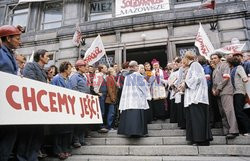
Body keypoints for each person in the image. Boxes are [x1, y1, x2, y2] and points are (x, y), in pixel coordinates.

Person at [17, 49, 49, 161]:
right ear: (40, 57)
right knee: (27, 134)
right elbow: (30, 82)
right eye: (47, 56)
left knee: (37, 134)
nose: (48, 58)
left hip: (40, 107)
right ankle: (22, 158)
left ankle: (32, 157)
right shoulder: (30, 66)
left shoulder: (43, 71)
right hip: (30, 106)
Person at [181, 51, 213, 146]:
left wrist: (185, 84)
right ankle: (195, 139)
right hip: (193, 97)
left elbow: (197, 78)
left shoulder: (195, 64)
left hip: (197, 97)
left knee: (198, 119)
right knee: (193, 119)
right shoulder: (192, 66)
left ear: (186, 58)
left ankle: (201, 140)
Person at [0, 25, 22, 161]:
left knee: (10, 132)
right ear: (8, 38)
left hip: (8, 104)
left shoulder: (11, 54)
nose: (20, 41)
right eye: (17, 38)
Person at [118, 61, 150, 137]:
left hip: (128, 100)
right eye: (137, 66)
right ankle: (137, 132)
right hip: (137, 99)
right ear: (135, 67)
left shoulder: (127, 76)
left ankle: (129, 132)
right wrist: (147, 95)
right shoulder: (138, 75)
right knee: (137, 116)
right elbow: (142, 87)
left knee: (129, 115)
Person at [211, 52, 239, 139]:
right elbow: (214, 82)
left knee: (229, 111)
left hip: (226, 91)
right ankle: (226, 130)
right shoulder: (215, 69)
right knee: (222, 112)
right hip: (218, 93)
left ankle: (233, 131)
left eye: (215, 58)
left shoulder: (225, 65)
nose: (213, 60)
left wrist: (218, 88)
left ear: (219, 58)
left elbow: (226, 78)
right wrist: (213, 89)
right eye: (212, 58)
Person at [51, 61, 73, 160]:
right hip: (58, 109)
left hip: (67, 109)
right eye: (69, 68)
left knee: (66, 131)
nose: (71, 70)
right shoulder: (56, 79)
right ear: (65, 69)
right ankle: (58, 151)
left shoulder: (68, 80)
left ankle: (65, 150)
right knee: (58, 131)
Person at [69, 60, 90, 148]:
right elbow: (74, 88)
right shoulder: (75, 76)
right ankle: (76, 140)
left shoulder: (84, 77)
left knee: (83, 123)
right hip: (78, 101)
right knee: (77, 123)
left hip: (84, 101)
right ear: (79, 67)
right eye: (84, 66)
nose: (86, 68)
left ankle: (81, 139)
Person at [227, 56, 250, 135]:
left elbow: (245, 78)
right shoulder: (231, 70)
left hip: (239, 92)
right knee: (237, 112)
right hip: (234, 93)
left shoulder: (239, 67)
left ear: (231, 63)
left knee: (239, 112)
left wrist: (244, 79)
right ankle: (243, 130)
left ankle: (247, 130)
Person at [93, 64, 109, 133]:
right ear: (101, 69)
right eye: (105, 67)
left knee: (104, 111)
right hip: (101, 95)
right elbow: (95, 84)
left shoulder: (105, 76)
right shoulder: (98, 75)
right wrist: (97, 92)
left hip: (105, 95)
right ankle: (100, 127)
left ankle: (103, 125)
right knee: (101, 111)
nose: (106, 69)